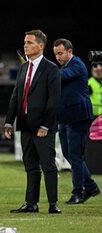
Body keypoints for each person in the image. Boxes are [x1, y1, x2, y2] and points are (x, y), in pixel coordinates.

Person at [4, 29, 61, 214]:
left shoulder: (51, 68)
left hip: (43, 126)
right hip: (25, 123)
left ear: (41, 45)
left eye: (29, 42)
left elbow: (54, 100)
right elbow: (16, 96)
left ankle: (53, 204)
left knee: (48, 165)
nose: (25, 45)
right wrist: (8, 122)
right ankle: (31, 203)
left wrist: (45, 125)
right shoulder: (23, 68)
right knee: (30, 166)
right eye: (25, 42)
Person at [53, 38, 100, 204]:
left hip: (78, 116)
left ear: (70, 51)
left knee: (75, 155)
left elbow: (59, 76)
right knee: (69, 154)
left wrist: (43, 70)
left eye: (60, 53)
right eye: (56, 54)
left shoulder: (77, 65)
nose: (58, 57)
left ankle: (78, 192)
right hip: (66, 117)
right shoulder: (64, 66)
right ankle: (91, 186)